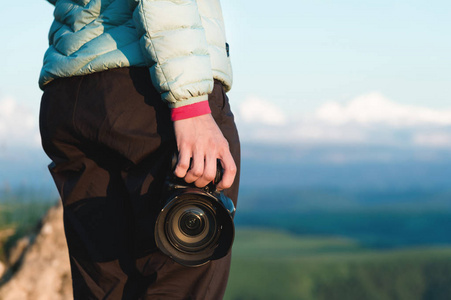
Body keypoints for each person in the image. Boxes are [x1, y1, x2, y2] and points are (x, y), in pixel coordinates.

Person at [38, 0, 240, 299]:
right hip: (150, 93)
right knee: (181, 271)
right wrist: (191, 104)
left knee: (105, 287)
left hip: (70, 95)